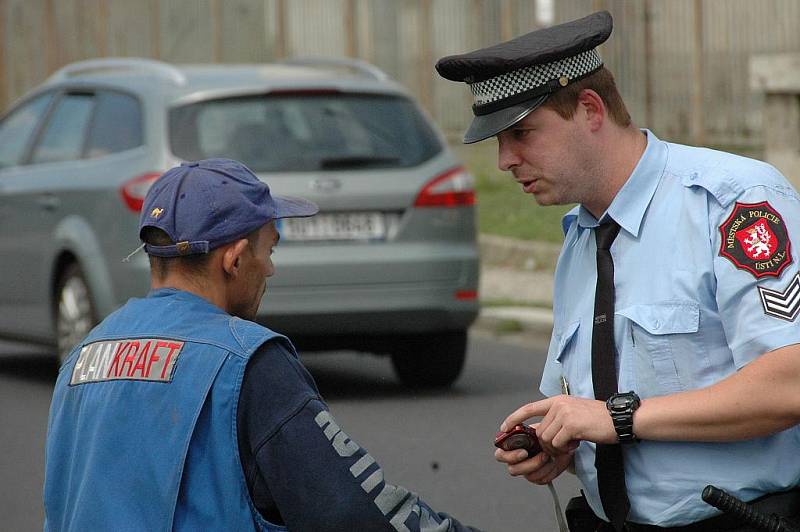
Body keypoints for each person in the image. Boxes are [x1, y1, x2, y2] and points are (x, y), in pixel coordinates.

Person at [437, 10, 800, 532]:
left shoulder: (732, 204)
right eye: (498, 141)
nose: (505, 160)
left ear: (589, 109)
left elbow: (786, 384)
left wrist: (617, 418)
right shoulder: (582, 236)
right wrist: (559, 443)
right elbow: (589, 407)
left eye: (522, 133)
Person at [43, 159, 482, 532]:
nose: (270, 269)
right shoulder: (247, 360)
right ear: (234, 260)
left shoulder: (84, 354)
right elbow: (349, 510)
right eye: (270, 248)